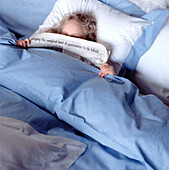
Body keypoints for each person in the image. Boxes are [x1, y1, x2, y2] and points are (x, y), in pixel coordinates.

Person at [16, 13, 116, 77]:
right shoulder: (45, 43)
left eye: (76, 37)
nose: (69, 39)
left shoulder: (94, 62)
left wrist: (112, 77)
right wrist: (20, 47)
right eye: (64, 35)